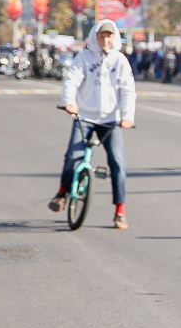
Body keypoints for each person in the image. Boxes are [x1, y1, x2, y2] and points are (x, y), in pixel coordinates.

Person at [48, 20, 136, 229]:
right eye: (101, 36)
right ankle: (62, 193)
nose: (105, 40)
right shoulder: (84, 58)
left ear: (114, 37)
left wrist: (127, 116)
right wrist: (70, 102)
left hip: (109, 120)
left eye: (109, 36)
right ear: (95, 37)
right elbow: (71, 80)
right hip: (85, 117)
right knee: (72, 157)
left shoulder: (120, 60)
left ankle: (120, 211)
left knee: (118, 163)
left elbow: (128, 90)